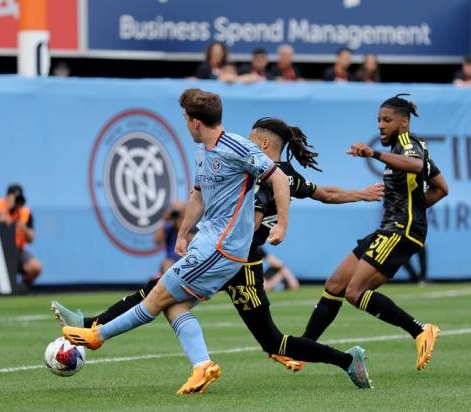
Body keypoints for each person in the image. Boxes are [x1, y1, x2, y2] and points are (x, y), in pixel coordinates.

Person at [61, 89, 371, 395]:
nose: (248, 142)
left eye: (253, 138)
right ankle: (343, 360)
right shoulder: (275, 171)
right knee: (180, 303)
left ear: (262, 143)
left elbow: (257, 213)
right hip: (230, 254)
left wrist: (274, 228)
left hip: (233, 257)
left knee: (159, 294)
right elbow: (324, 194)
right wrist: (361, 194)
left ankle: (95, 332)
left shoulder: (251, 165)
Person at [300, 94, 448, 371]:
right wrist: (416, 206)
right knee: (335, 284)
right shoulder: (407, 147)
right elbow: (441, 187)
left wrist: (374, 154)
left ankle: (420, 330)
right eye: (379, 120)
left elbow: (416, 166)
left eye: (387, 120)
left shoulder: (407, 144)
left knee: (355, 292)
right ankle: (303, 348)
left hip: (400, 229)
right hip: (390, 227)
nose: (381, 125)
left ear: (403, 122)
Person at [0, 184, 41, 286]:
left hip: (17, 250)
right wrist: (5, 213)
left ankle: (21, 288)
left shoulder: (25, 212)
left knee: (35, 267)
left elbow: (31, 239)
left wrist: (23, 228)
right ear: (7, 197)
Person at [153, 201, 186, 273]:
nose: (177, 215)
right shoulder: (169, 227)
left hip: (187, 261)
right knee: (167, 263)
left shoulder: (192, 226)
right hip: (171, 262)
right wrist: (164, 220)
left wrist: (180, 223)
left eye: (179, 212)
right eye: (175, 212)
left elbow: (189, 238)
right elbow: (157, 241)